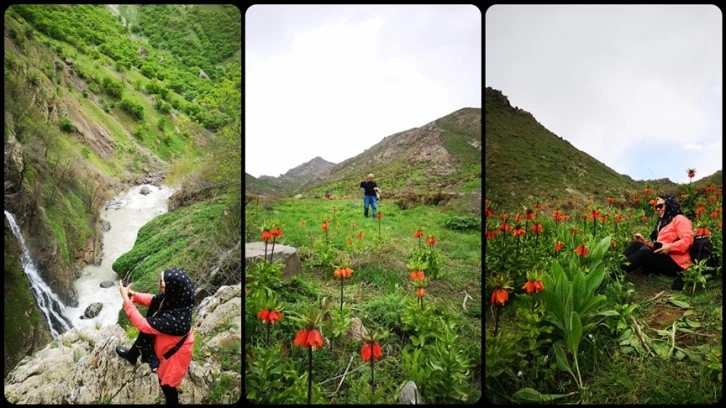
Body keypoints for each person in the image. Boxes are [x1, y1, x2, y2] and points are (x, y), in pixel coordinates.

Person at [116, 268, 195, 404]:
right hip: (168, 345)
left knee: (166, 384)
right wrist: (134, 295)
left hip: (174, 357)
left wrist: (127, 301)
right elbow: (154, 299)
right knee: (145, 337)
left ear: (173, 289)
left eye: (163, 285)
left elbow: (142, 324)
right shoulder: (177, 300)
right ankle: (132, 355)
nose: (160, 286)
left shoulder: (174, 319)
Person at [621, 194, 694, 290]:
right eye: (656, 207)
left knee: (644, 253)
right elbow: (660, 247)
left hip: (677, 263)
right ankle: (616, 264)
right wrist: (644, 242)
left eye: (660, 206)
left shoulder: (680, 219)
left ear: (669, 205)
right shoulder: (666, 222)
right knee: (636, 244)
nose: (658, 209)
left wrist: (670, 247)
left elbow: (688, 240)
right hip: (666, 257)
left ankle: (617, 272)